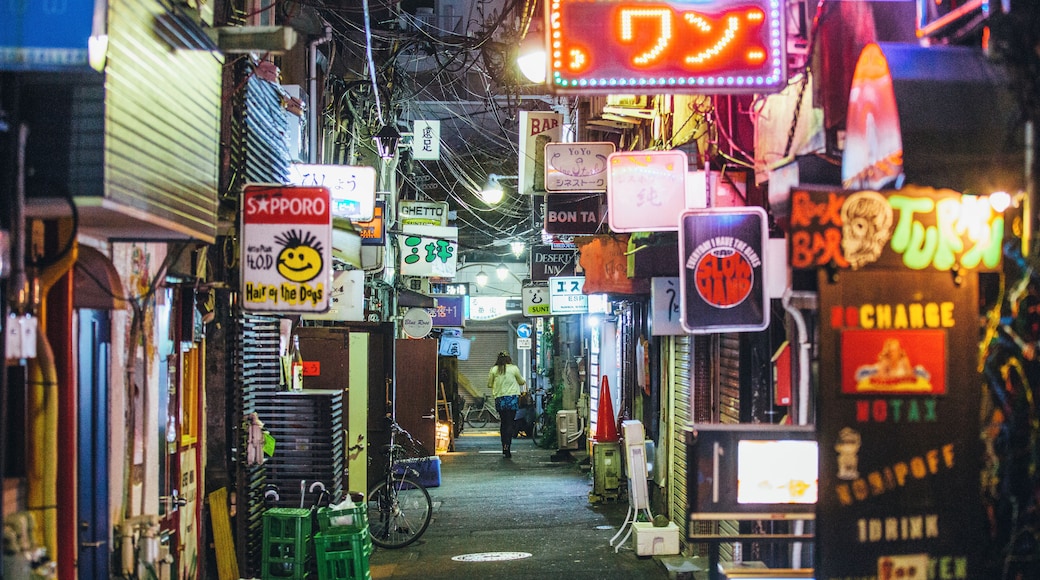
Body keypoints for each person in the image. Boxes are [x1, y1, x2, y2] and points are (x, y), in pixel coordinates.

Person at [487, 351, 526, 457]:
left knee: (504, 422)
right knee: (510, 422)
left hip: (500, 398)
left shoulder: (494, 369)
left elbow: (489, 384)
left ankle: (504, 446)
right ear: (509, 359)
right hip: (512, 398)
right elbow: (521, 381)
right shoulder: (514, 369)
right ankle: (507, 447)